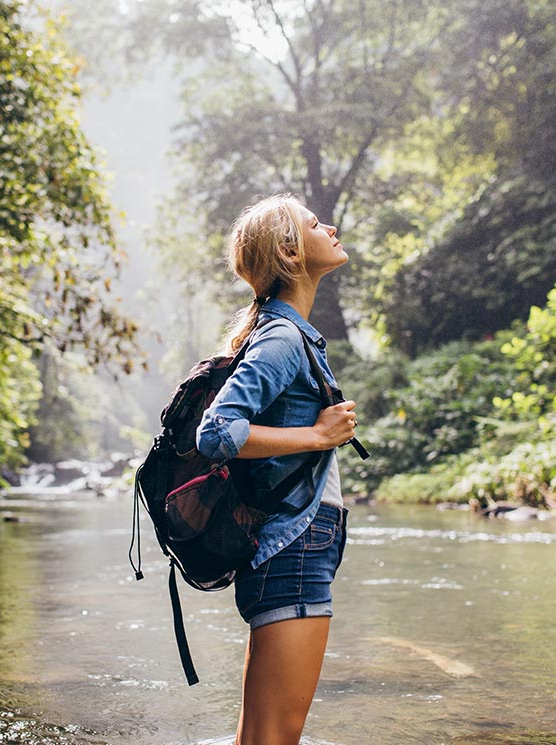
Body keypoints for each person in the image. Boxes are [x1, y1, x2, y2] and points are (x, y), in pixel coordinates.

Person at [196, 193, 359, 745]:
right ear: (291, 250)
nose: (330, 227)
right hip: (293, 547)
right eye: (316, 224)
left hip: (289, 544)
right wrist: (315, 435)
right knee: (277, 736)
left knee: (260, 737)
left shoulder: (285, 332)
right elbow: (217, 433)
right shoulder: (284, 337)